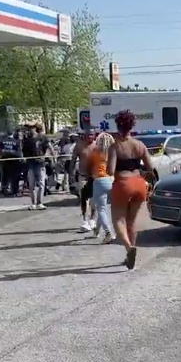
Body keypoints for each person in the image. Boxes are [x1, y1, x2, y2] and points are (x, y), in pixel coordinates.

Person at [107, 110, 153, 270]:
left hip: (123, 183)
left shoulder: (115, 146)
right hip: (139, 184)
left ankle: (129, 248)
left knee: (118, 220)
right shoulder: (140, 145)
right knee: (131, 221)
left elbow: (110, 170)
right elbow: (150, 167)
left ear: (118, 126)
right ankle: (129, 256)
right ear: (132, 126)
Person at [85, 133, 116, 243]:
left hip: (99, 179)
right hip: (111, 180)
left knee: (101, 208)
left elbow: (88, 165)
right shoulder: (113, 152)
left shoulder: (95, 152)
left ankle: (108, 233)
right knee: (103, 208)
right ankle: (97, 231)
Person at [22, 125, 52, 210]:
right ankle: (33, 203)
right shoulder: (27, 140)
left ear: (35, 128)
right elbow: (24, 152)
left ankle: (40, 202)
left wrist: (45, 156)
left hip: (41, 163)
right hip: (31, 164)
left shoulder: (42, 137)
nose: (30, 129)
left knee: (41, 183)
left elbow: (48, 148)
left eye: (31, 127)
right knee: (31, 185)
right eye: (28, 128)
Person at [73, 131, 97, 233]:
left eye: (91, 135)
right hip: (83, 176)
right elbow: (73, 159)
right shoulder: (79, 145)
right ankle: (84, 220)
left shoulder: (97, 146)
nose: (89, 137)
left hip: (95, 176)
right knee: (84, 199)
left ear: (94, 135)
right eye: (87, 135)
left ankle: (92, 220)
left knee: (94, 200)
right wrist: (71, 173)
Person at [0, 129, 24, 196]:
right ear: (13, 134)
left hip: (4, 160)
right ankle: (14, 190)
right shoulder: (16, 142)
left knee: (5, 175)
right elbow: (19, 153)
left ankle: (4, 188)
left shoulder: (2, 141)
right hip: (14, 161)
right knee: (14, 176)